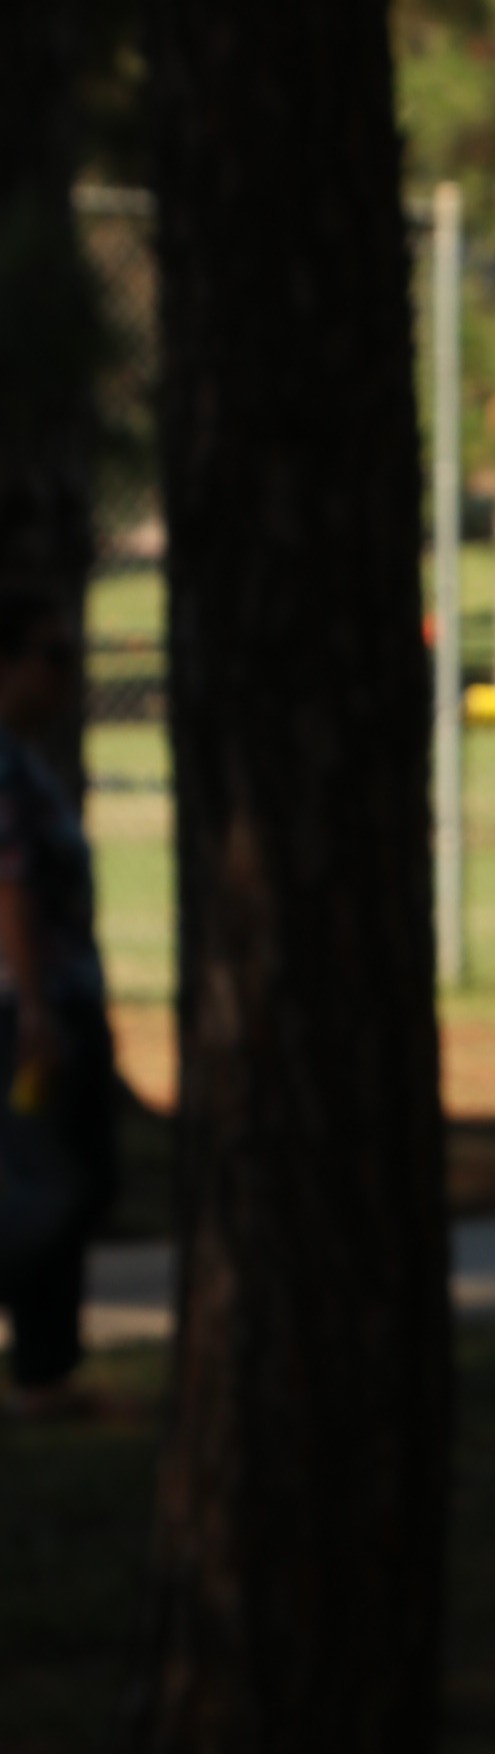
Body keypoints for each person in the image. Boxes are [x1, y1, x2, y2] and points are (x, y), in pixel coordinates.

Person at [0, 587, 118, 1417]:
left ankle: (47, 1373)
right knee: (48, 1189)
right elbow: (8, 886)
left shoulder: (24, 757)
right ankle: (42, 1373)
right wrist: (36, 1011)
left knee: (71, 1182)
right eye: (53, 656)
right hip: (25, 1011)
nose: (68, 674)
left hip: (53, 1000)